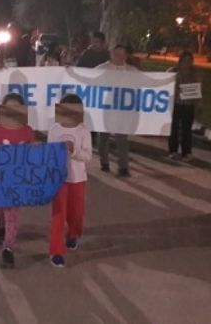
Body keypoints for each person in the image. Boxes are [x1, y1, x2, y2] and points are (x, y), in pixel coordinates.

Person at [0, 93, 35, 269]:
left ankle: (8, 249)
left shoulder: (28, 131)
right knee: (0, 212)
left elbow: (32, 155)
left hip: (17, 183)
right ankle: (1, 229)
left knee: (12, 216)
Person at [47, 94, 92, 268]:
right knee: (58, 215)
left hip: (78, 179)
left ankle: (73, 233)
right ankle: (56, 251)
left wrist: (74, 150)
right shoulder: (54, 130)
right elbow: (49, 153)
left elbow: (87, 156)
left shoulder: (83, 131)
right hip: (58, 181)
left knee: (76, 213)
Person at [95, 45, 138, 177]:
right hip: (106, 107)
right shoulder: (102, 69)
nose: (119, 57)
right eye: (116, 54)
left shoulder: (132, 71)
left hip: (123, 109)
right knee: (104, 136)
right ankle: (104, 162)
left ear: (126, 56)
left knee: (122, 137)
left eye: (122, 54)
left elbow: (148, 82)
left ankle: (123, 167)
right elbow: (85, 77)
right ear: (111, 54)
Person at [168, 51, 200, 161]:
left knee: (186, 130)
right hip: (175, 105)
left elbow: (197, 91)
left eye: (189, 61)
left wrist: (197, 106)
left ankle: (187, 152)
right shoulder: (172, 72)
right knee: (174, 129)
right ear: (180, 61)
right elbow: (164, 86)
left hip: (188, 106)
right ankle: (173, 151)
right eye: (185, 60)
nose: (187, 63)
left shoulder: (194, 75)